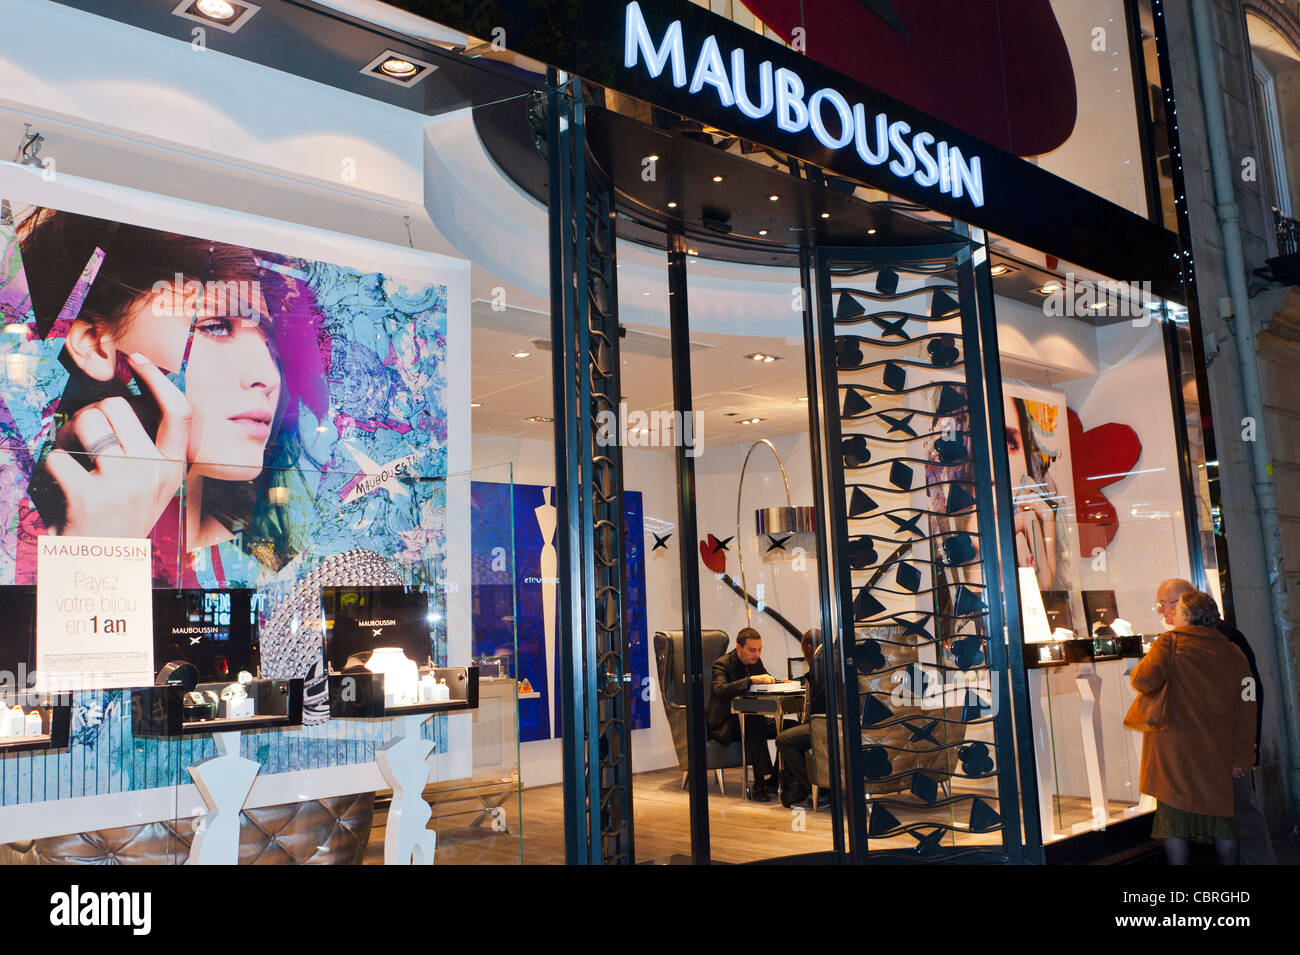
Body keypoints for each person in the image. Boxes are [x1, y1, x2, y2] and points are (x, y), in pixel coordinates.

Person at [16, 209, 299, 575]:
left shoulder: (267, 568)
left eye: (270, 341)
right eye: (215, 327)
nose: (268, 376)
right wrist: (100, 549)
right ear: (93, 343)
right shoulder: (17, 541)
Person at [1131, 589, 1257, 865]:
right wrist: (1243, 756)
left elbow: (1143, 681)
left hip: (1174, 755)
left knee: (1174, 825)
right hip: (1217, 752)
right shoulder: (1234, 651)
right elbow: (1248, 704)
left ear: (1186, 615)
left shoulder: (1169, 643)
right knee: (1223, 821)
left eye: (1175, 611)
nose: (1171, 616)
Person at [1155, 578, 1275, 863]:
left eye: (1166, 604)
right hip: (1206, 753)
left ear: (1186, 604)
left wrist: (1245, 752)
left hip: (1229, 752)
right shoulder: (1185, 641)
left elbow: (1250, 696)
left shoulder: (1226, 640)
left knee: (1241, 816)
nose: (1162, 612)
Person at [708, 627, 778, 801]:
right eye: (752, 650)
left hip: (750, 720)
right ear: (739, 648)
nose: (757, 654)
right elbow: (720, 689)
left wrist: (779, 683)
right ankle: (760, 784)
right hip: (726, 723)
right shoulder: (722, 664)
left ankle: (776, 779)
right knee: (755, 721)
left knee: (788, 729)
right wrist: (750, 681)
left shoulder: (755, 662)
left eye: (760, 649)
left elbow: (766, 679)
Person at [776, 629, 826, 808]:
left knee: (783, 740)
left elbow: (818, 705)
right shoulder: (830, 657)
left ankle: (816, 789)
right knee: (792, 731)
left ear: (808, 647)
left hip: (824, 725)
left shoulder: (818, 663)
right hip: (838, 723)